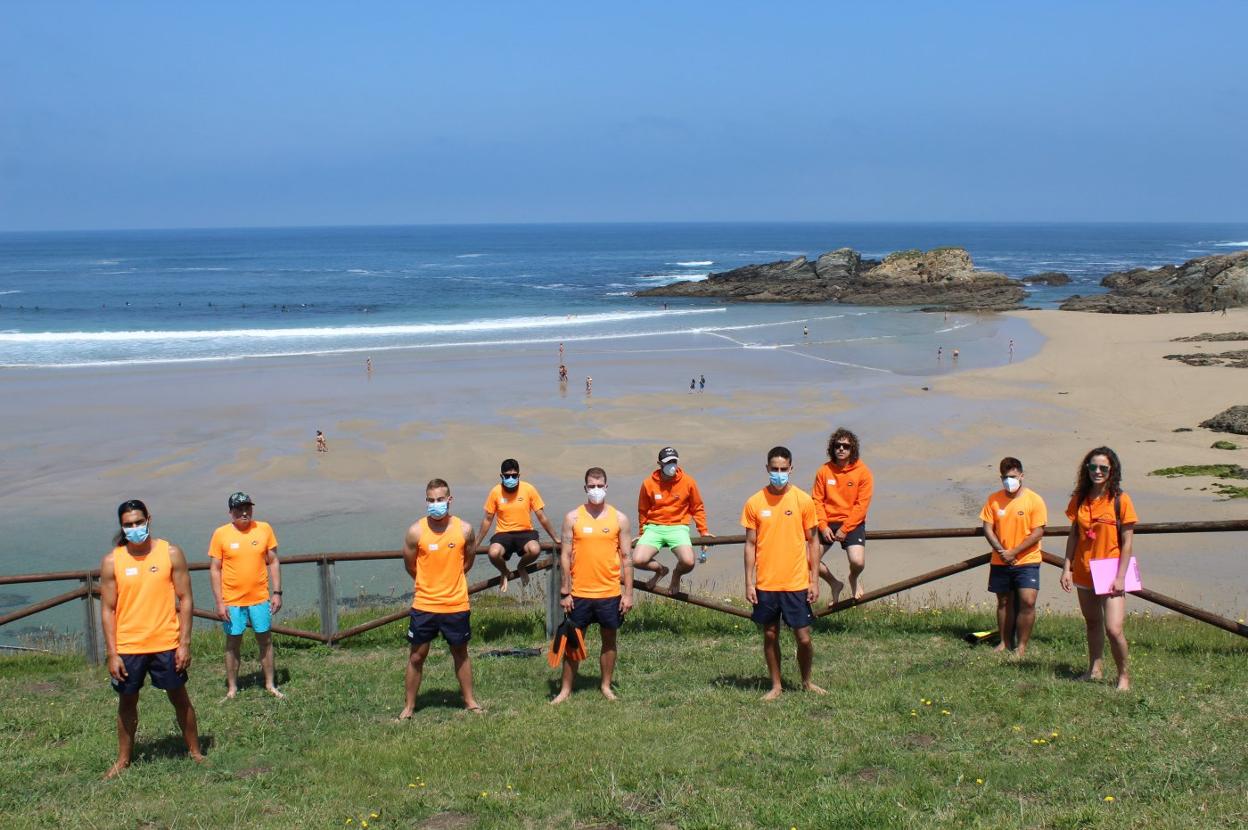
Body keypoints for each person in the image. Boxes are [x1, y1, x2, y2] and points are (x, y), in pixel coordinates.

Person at [98, 499, 203, 779]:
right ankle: (123, 760)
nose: (134, 528)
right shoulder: (112, 561)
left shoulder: (171, 553)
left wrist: (184, 643)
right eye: (128, 524)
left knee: (180, 699)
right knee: (127, 703)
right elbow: (107, 609)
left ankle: (195, 751)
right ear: (121, 526)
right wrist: (112, 652)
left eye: (138, 522)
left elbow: (186, 598)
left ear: (148, 519)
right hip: (129, 646)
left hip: (166, 643)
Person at [743, 446, 824, 700]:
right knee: (770, 634)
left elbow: (813, 541)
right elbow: (750, 544)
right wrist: (749, 582)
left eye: (783, 469)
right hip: (766, 582)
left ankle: (806, 681)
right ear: (767, 469)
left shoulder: (803, 500)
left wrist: (814, 580)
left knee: (803, 638)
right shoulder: (755, 502)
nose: (779, 473)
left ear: (791, 469)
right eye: (774, 469)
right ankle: (776, 685)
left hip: (797, 581)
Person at [552, 467, 634, 704]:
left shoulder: (620, 519)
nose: (595, 490)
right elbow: (565, 556)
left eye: (600, 486)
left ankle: (606, 685)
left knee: (609, 640)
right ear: (585, 488)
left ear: (606, 487)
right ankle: (565, 689)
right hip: (579, 593)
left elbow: (627, 557)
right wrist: (565, 591)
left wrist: (628, 594)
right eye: (591, 486)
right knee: (573, 642)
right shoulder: (573, 518)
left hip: (609, 592)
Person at [400, 478, 482, 717]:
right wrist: (429, 583)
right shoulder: (415, 531)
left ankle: (469, 701)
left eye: (440, 500)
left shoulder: (464, 529)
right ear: (426, 501)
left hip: (456, 603)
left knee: (460, 652)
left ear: (449, 500)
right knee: (417, 655)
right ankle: (409, 706)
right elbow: (410, 565)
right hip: (425, 604)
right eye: (431, 500)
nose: (436, 504)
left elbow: (468, 560)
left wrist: (451, 578)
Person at [1060, 447, 1137, 691]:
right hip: (1084, 568)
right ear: (1087, 469)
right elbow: (1074, 535)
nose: (1098, 471)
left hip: (1111, 568)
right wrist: (1066, 567)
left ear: (1112, 470)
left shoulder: (1120, 499)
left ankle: (1124, 676)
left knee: (1113, 628)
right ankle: (1095, 669)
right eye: (1093, 467)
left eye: (1103, 467)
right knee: (1092, 622)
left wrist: (1121, 576)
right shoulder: (1080, 498)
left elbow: (1127, 543)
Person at [208, 492, 284, 699]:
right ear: (230, 512)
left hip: (260, 598)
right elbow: (215, 568)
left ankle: (270, 684)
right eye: (239, 509)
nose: (244, 512)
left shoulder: (264, 528)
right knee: (232, 643)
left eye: (247, 508)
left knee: (265, 640)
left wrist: (277, 592)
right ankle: (232, 688)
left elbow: (273, 561)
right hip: (232, 601)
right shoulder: (220, 534)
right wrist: (219, 601)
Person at [980, 458, 1047, 657]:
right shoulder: (993, 499)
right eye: (1005, 477)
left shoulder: (1035, 500)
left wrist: (1014, 552)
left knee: (1028, 601)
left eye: (1013, 477)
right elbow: (987, 528)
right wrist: (1002, 551)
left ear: (1021, 476)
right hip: (1000, 560)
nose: (1009, 481)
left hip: (1027, 560)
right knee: (1003, 602)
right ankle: (1004, 642)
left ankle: (1022, 647)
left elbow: (1037, 532)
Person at [632, 446, 713, 594]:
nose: (672, 465)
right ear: (659, 463)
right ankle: (661, 570)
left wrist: (704, 532)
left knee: (689, 562)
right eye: (668, 462)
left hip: (678, 527)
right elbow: (643, 510)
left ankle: (676, 574)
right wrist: (641, 531)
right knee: (637, 560)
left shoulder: (688, 482)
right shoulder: (648, 483)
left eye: (674, 461)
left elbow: (697, 508)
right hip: (654, 527)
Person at [477, 459, 561, 593]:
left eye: (514, 475)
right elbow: (487, 520)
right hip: (503, 533)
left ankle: (521, 566)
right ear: (501, 476)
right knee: (493, 553)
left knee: (535, 549)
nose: (511, 478)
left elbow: (542, 516)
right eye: (507, 476)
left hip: (526, 532)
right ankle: (504, 571)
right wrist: (476, 543)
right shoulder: (495, 491)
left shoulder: (529, 489)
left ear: (519, 475)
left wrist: (556, 538)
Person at [811, 428, 874, 602]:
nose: (841, 449)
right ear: (832, 448)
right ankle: (834, 583)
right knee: (807, 560)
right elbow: (816, 500)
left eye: (845, 446)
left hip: (852, 522)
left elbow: (862, 506)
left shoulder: (863, 472)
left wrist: (846, 529)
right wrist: (823, 526)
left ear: (852, 449)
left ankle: (853, 578)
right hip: (827, 522)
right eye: (837, 445)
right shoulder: (824, 471)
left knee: (857, 562)